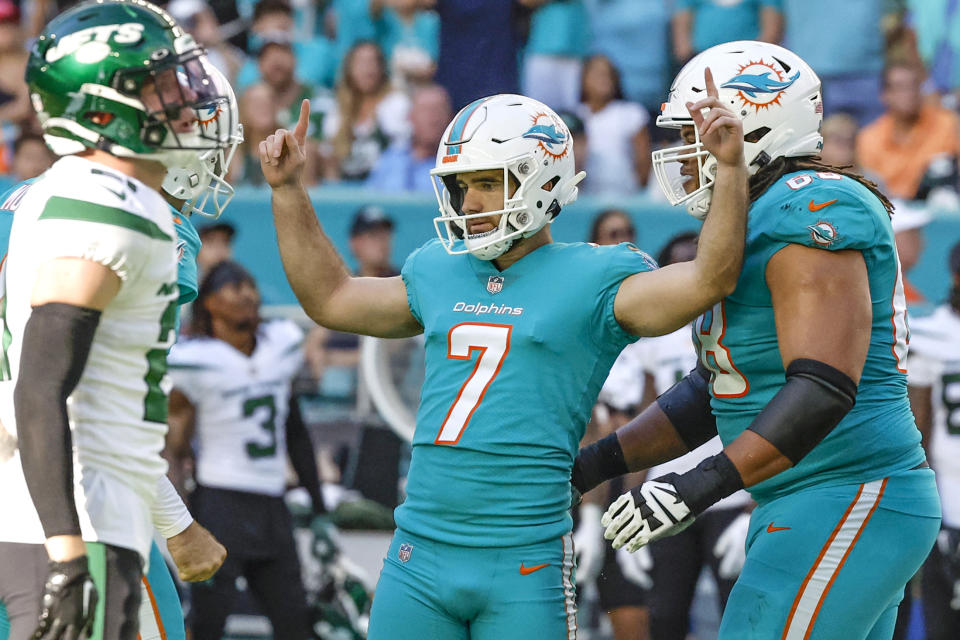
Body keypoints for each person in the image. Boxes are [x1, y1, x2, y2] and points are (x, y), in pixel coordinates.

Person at [259, 76, 749, 638]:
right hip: (418, 550)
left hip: (524, 556)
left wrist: (730, 172)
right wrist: (288, 191)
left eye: (487, 183)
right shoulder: (438, 267)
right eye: (462, 186)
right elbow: (332, 297)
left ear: (540, 176)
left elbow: (711, 278)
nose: (470, 203)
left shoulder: (596, 274)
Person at [574, 40, 941, 639]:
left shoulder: (811, 207)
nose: (683, 156)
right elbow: (717, 387)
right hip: (813, 497)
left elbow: (823, 386)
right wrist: (592, 465)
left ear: (756, 129)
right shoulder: (754, 215)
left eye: (696, 134)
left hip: (847, 491)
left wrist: (698, 487)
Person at [0, 2, 234, 639]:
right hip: (71, 508)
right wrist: (174, 525)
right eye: (164, 87)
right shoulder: (122, 217)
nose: (188, 103)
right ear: (101, 105)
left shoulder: (41, 194)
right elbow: (66, 393)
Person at [166, 261, 323, 640]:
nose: (247, 294)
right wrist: (179, 515)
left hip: (272, 504)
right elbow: (173, 443)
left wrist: (318, 506)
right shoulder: (193, 358)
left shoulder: (280, 344)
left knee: (294, 624)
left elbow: (295, 430)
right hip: (220, 503)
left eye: (250, 284)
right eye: (234, 287)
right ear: (209, 303)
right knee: (207, 624)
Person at [637, 232, 752, 640]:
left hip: (733, 492)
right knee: (665, 617)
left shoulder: (740, 327)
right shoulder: (652, 334)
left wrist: (758, 502)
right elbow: (645, 420)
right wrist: (630, 493)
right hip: (666, 491)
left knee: (740, 618)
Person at [907, 240, 960, 640]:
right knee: (941, 620)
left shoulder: (931, 333)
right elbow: (918, 428)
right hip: (950, 493)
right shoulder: (928, 335)